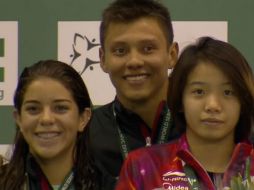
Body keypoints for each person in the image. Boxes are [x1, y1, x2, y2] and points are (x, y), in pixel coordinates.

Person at [115, 36, 254, 190]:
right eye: (199, 92)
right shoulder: (142, 166)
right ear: (180, 99)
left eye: (228, 92)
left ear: (243, 101)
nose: (213, 105)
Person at [88, 0, 179, 188]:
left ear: (172, 54)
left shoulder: (201, 127)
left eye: (148, 48)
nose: (134, 61)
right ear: (103, 59)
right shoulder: (85, 136)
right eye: (120, 51)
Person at [0, 60, 98, 189]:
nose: (46, 119)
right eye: (33, 109)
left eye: (60, 108)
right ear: (19, 119)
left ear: (83, 119)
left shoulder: (112, 186)